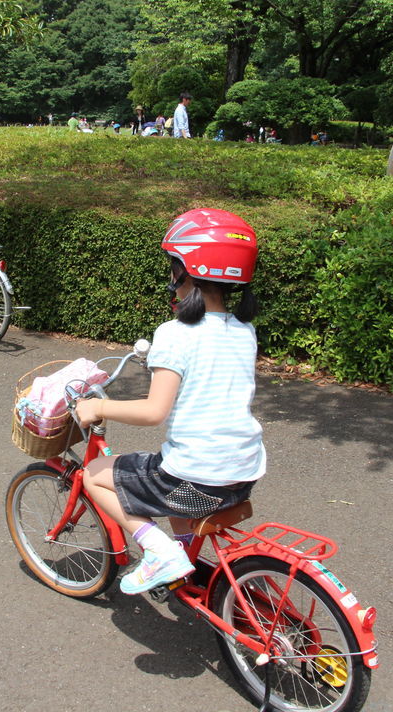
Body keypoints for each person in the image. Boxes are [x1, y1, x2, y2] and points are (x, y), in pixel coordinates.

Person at [75, 208, 265, 594]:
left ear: (185, 270)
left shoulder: (175, 333)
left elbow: (153, 411)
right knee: (170, 482)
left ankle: (160, 552)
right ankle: (182, 563)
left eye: (172, 264)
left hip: (197, 475)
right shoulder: (244, 330)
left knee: (95, 473)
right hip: (243, 472)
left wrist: (98, 406)